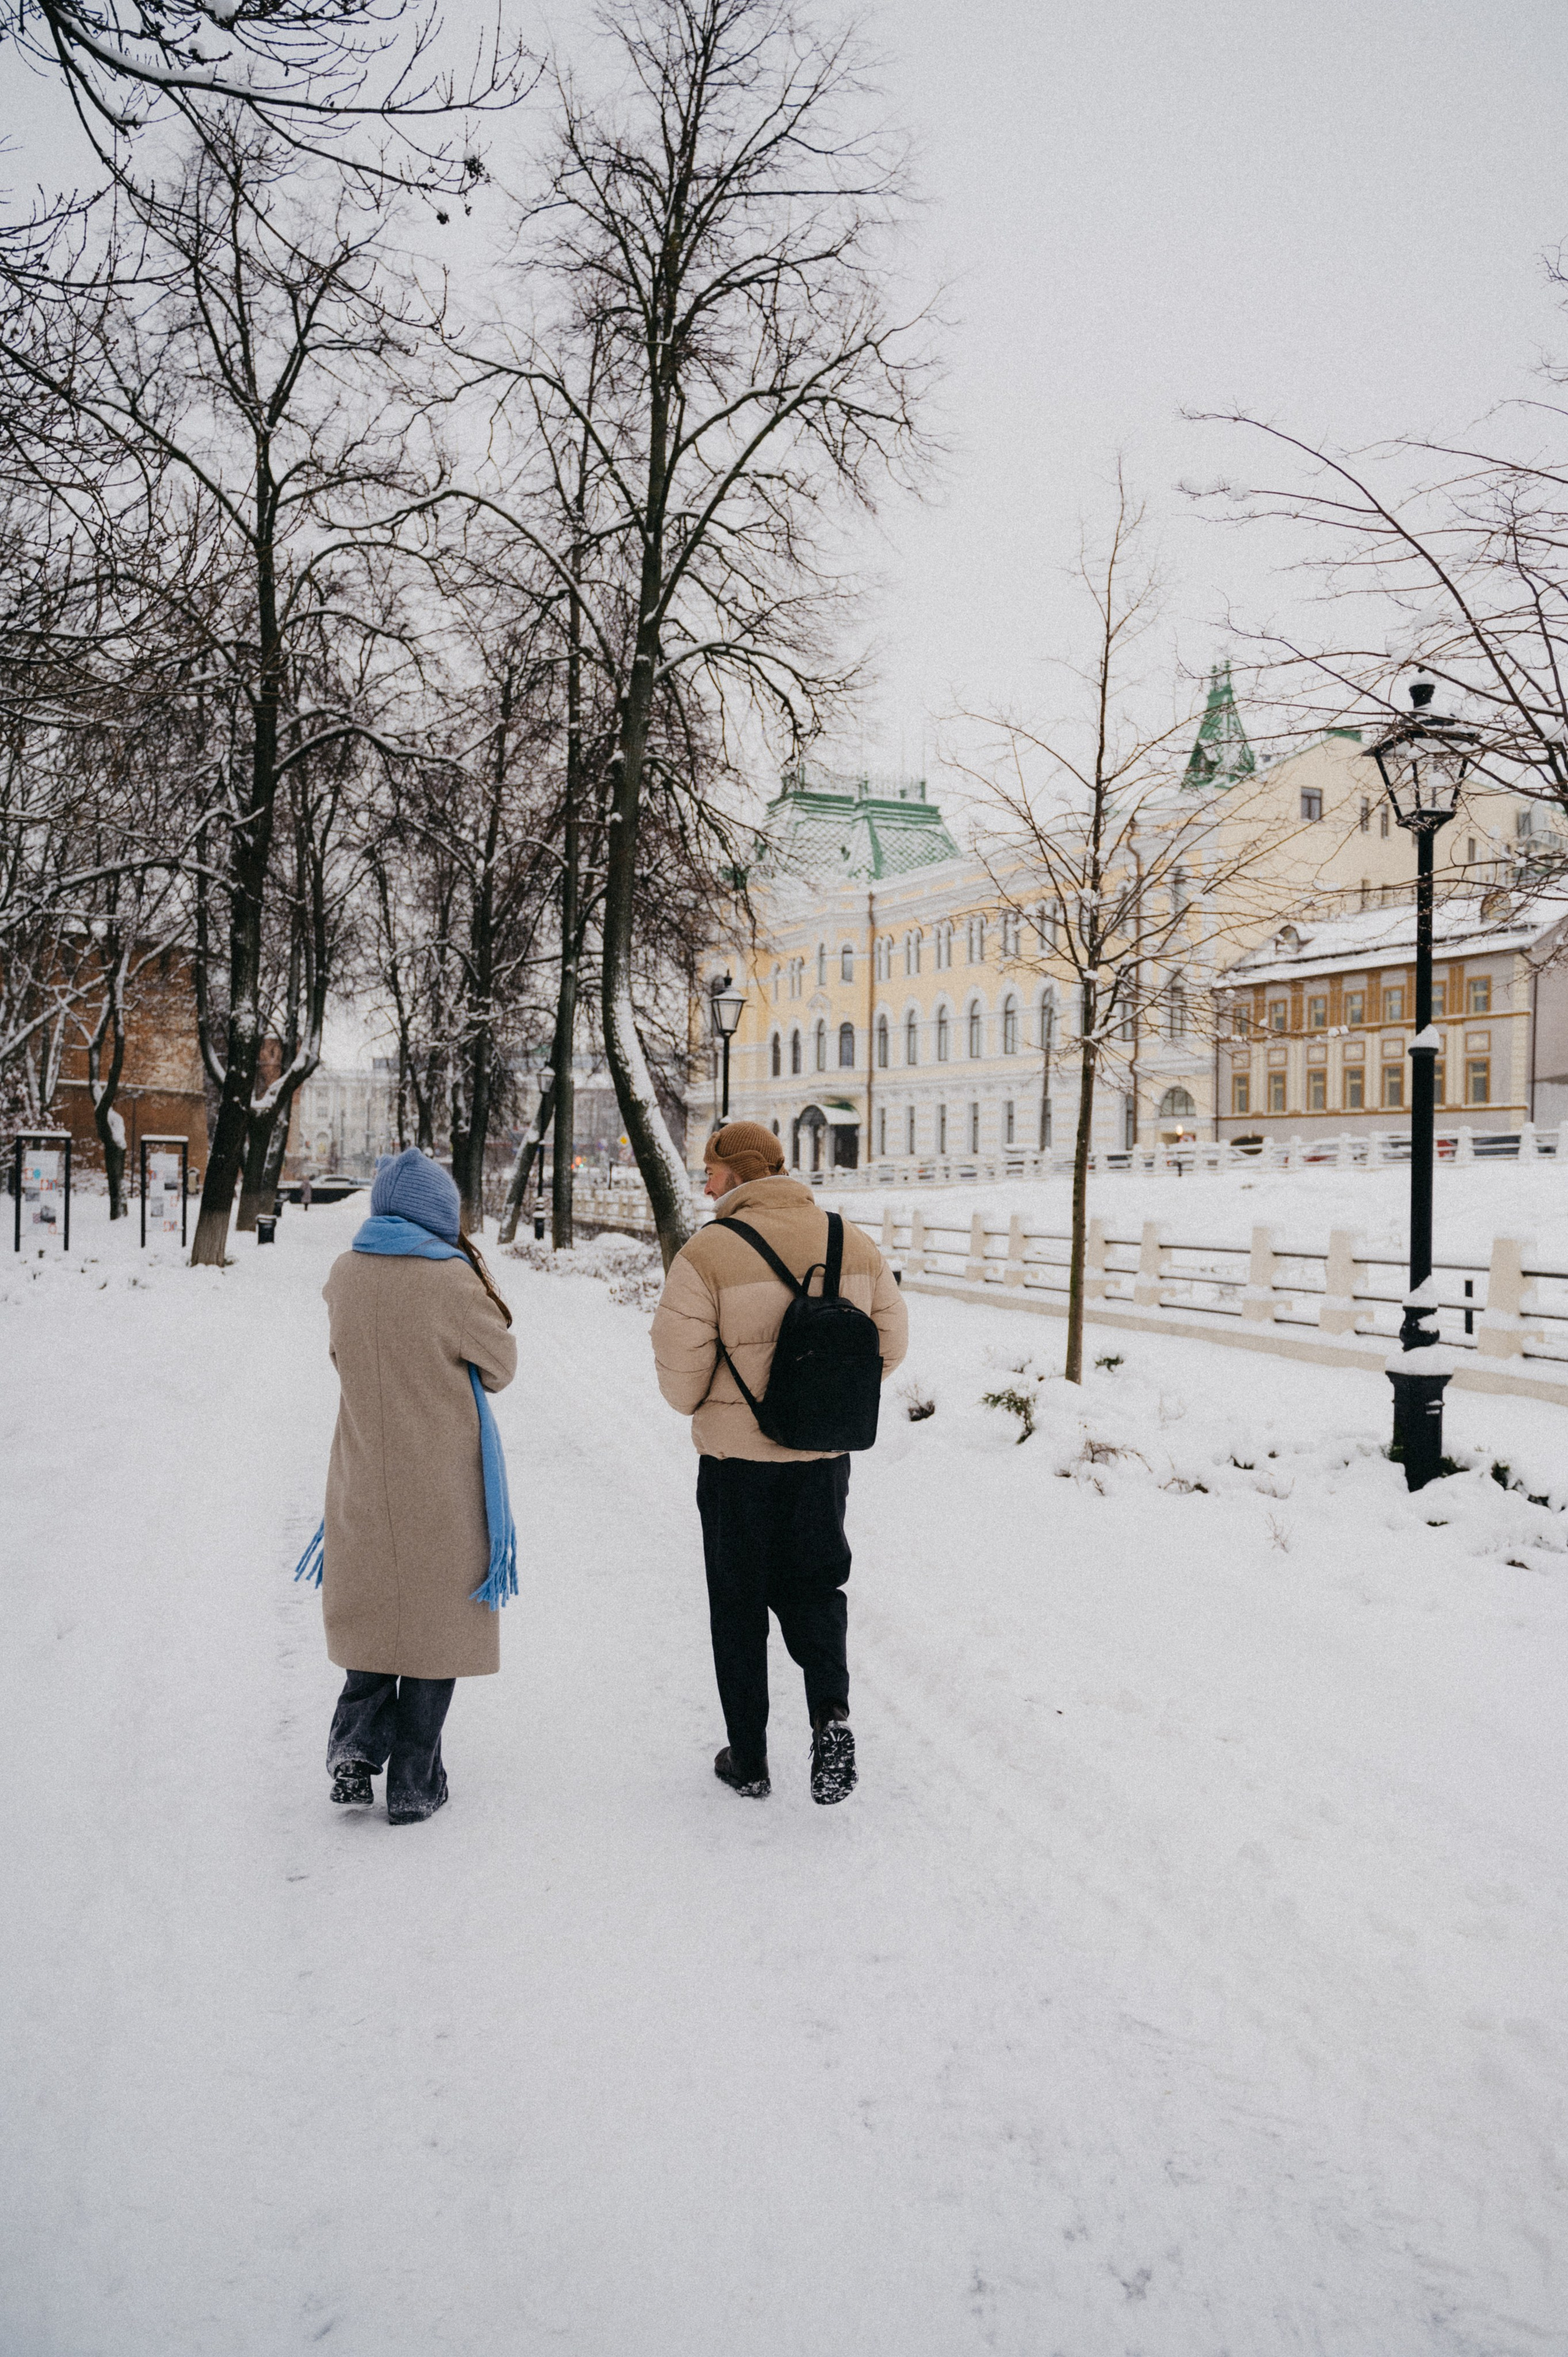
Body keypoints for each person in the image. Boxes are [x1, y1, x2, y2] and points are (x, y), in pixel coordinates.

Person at [650, 1121, 908, 1805]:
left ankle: (751, 1758)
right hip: (822, 1460)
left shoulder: (706, 1253)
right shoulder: (849, 1239)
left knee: (738, 1606)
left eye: (710, 1171)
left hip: (737, 1465)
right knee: (817, 1589)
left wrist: (729, 1395)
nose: (704, 1185)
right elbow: (890, 1344)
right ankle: (831, 1714)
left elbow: (680, 1383)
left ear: (737, 1174)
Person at [315, 1148, 517, 1823]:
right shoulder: (451, 1282)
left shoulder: (343, 1274)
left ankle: (353, 1749)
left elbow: (342, 1355)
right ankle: (413, 1779)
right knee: (435, 1629)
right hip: (442, 1486)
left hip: (363, 1474)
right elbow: (500, 1365)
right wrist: (477, 1275)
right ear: (440, 1217)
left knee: (374, 1612)